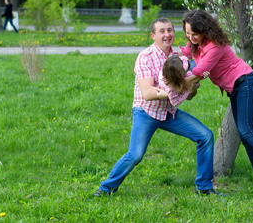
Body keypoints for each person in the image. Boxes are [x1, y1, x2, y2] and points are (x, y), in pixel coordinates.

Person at [94, 17, 220, 197]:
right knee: (135, 154)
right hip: (146, 111)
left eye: (170, 30)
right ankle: (106, 188)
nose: (167, 34)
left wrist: (192, 87)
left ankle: (204, 187)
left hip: (169, 112)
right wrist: (178, 88)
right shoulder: (145, 57)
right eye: (162, 31)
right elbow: (148, 93)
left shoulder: (179, 58)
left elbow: (189, 95)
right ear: (153, 35)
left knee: (205, 136)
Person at [181, 9, 253, 197]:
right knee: (245, 133)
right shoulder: (197, 44)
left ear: (205, 30)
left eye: (194, 34)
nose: (190, 38)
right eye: (187, 33)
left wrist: (173, 86)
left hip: (246, 83)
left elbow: (199, 71)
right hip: (237, 88)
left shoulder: (215, 46)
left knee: (247, 131)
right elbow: (184, 55)